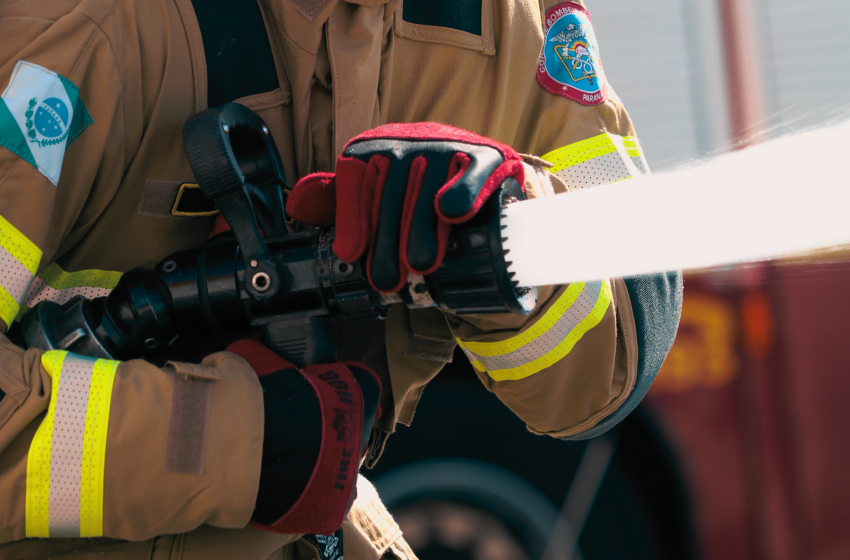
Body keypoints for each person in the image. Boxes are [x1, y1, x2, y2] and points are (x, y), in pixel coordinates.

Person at [0, 0, 682, 558]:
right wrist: (238, 443)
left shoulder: (500, 23)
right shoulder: (77, 31)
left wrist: (512, 236)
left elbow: (623, 343)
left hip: (312, 525)